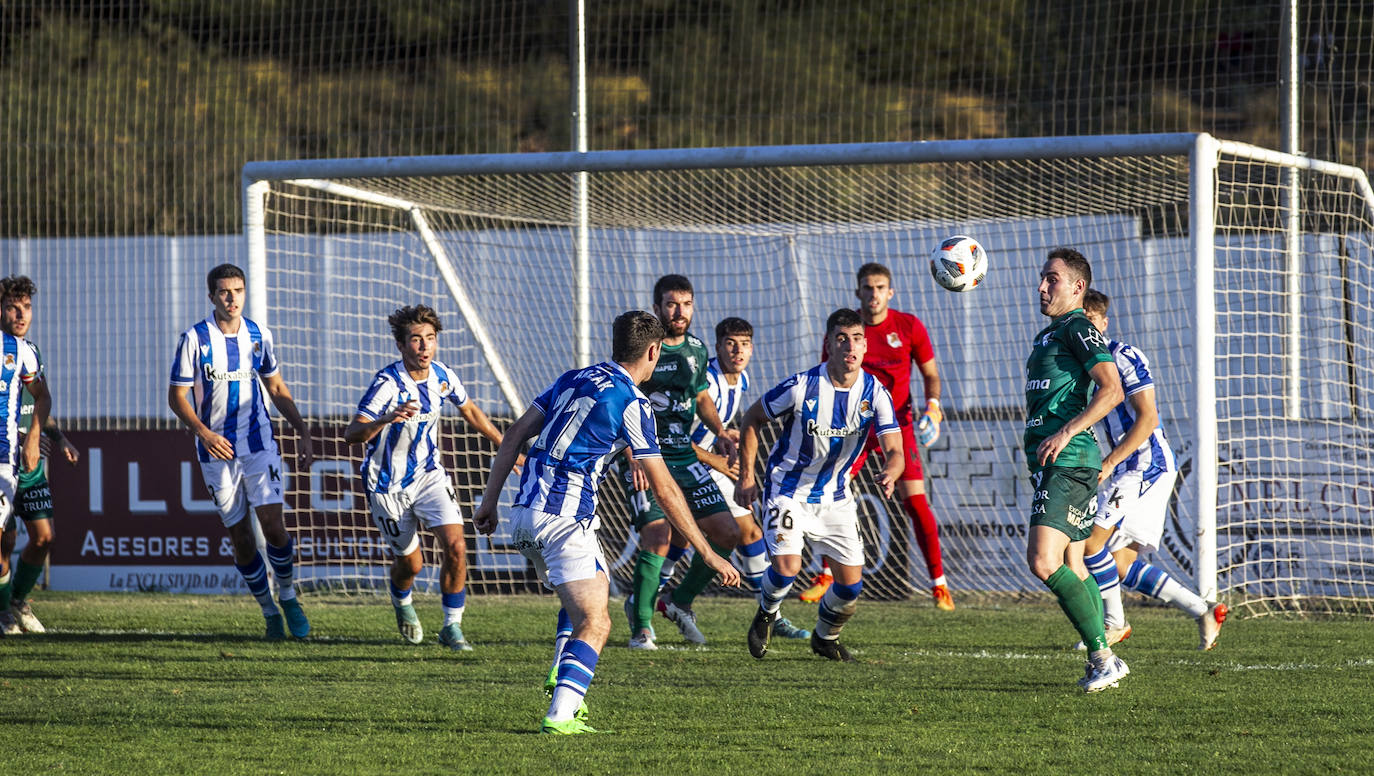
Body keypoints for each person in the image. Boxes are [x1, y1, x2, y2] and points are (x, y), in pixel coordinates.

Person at [474, 310, 740, 734]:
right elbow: (665, 489)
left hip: (523, 514)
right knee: (597, 622)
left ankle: (561, 674)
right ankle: (562, 714)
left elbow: (513, 435)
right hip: (564, 520)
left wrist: (489, 503)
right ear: (653, 351)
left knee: (586, 594)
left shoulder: (573, 377)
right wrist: (706, 552)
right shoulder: (634, 401)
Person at [737, 308, 902, 662]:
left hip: (837, 498)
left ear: (865, 346)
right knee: (787, 569)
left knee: (850, 587)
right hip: (788, 492)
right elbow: (752, 419)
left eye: (857, 339)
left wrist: (891, 471)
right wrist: (746, 476)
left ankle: (825, 638)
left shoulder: (875, 393)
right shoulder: (801, 387)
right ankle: (766, 613)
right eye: (841, 339)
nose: (850, 346)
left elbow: (895, 450)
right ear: (828, 344)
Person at [343, 304, 511, 651]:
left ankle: (452, 627)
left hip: (429, 476)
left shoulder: (442, 376)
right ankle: (402, 602)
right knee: (412, 563)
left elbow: (471, 411)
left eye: (430, 339)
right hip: (387, 484)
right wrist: (387, 418)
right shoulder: (388, 384)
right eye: (416, 340)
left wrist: (506, 446)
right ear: (401, 346)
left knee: (457, 546)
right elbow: (352, 433)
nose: (424, 347)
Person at [168, 263, 313, 640]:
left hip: (259, 443)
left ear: (245, 293)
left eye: (238, 291)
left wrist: (301, 429)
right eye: (224, 292)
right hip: (216, 452)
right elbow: (176, 396)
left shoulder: (258, 335)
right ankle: (268, 612)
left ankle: (287, 595)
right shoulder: (195, 339)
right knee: (243, 538)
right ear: (212, 296)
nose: (232, 298)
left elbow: (276, 387)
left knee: (274, 527)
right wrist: (203, 432)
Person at [1078, 289, 1227, 651]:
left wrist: (1110, 462)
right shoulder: (1083, 367)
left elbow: (1148, 418)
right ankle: (1201, 609)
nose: (1087, 332)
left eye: (1092, 323)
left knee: (1091, 544)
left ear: (1104, 323)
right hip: (1126, 468)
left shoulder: (1122, 356)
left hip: (1145, 465)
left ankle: (1114, 623)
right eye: (1080, 324)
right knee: (1120, 565)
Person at [803, 263, 953, 610]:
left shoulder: (909, 326)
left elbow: (930, 373)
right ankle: (824, 574)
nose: (874, 294)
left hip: (897, 426)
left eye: (880, 287)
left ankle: (939, 585)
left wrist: (933, 407)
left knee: (916, 502)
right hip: (853, 426)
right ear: (858, 292)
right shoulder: (847, 330)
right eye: (867, 288)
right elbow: (829, 376)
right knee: (823, 493)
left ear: (891, 292)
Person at [1023, 249, 1129, 692]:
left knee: (1043, 561)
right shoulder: (1050, 335)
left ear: (1077, 288)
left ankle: (1103, 658)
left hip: (1069, 460)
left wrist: (1066, 432)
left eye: (1052, 279)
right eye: (1042, 278)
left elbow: (1112, 390)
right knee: (1074, 562)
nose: (1043, 287)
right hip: (1059, 462)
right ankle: (1105, 655)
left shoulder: (1079, 327)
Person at [620, 275, 739, 649]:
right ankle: (641, 625)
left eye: (686, 304)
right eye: (672, 304)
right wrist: (632, 455)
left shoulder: (698, 350)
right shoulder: (644, 351)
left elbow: (701, 395)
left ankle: (678, 599)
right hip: (645, 456)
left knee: (727, 533)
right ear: (657, 308)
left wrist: (720, 430)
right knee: (658, 536)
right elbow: (620, 402)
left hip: (684, 455)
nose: (680, 312)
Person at [684, 317, 808, 641]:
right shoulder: (706, 383)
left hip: (709, 463)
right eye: (730, 344)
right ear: (717, 347)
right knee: (666, 541)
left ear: (752, 348)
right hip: (684, 463)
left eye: (745, 344)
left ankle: (771, 614)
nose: (738, 351)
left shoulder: (742, 380)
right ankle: (655, 611)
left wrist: (727, 440)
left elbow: (718, 428)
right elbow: (674, 435)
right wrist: (715, 459)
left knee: (749, 531)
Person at [0, 277, 51, 636]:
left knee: (43, 536)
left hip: (11, 459)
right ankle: (4, 612)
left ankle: (12, 603)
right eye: (13, 307)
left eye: (27, 307)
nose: (21, 314)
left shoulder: (24, 352)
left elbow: (41, 397)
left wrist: (36, 438)